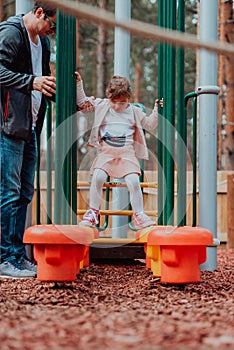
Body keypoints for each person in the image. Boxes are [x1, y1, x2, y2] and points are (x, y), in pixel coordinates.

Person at [0, 2, 56, 278]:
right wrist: (31, 81)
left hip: (30, 126)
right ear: (38, 13)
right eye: (52, 25)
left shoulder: (42, 44)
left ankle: (17, 256)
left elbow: (42, 81)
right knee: (8, 192)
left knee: (24, 193)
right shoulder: (11, 33)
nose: (51, 32)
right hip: (7, 126)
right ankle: (4, 258)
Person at [75, 71, 163, 230]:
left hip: (127, 154)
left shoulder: (134, 112)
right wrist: (79, 83)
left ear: (129, 99)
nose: (117, 106)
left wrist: (156, 109)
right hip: (106, 153)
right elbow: (82, 104)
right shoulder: (102, 105)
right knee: (98, 177)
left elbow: (150, 124)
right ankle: (93, 212)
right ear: (108, 96)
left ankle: (139, 215)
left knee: (134, 181)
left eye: (121, 103)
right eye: (113, 101)